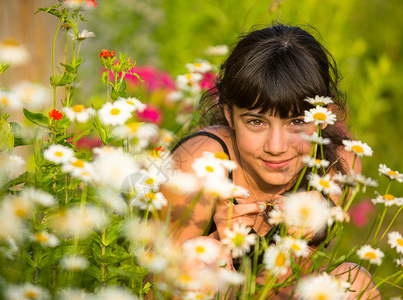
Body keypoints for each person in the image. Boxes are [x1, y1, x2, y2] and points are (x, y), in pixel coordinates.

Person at [160, 23, 380, 299]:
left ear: (325, 113)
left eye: (297, 121)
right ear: (229, 114)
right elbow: (150, 285)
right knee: (201, 259)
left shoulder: (340, 167)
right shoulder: (200, 167)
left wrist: (317, 220)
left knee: (353, 282)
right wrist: (220, 242)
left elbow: (283, 286)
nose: (276, 147)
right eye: (256, 121)